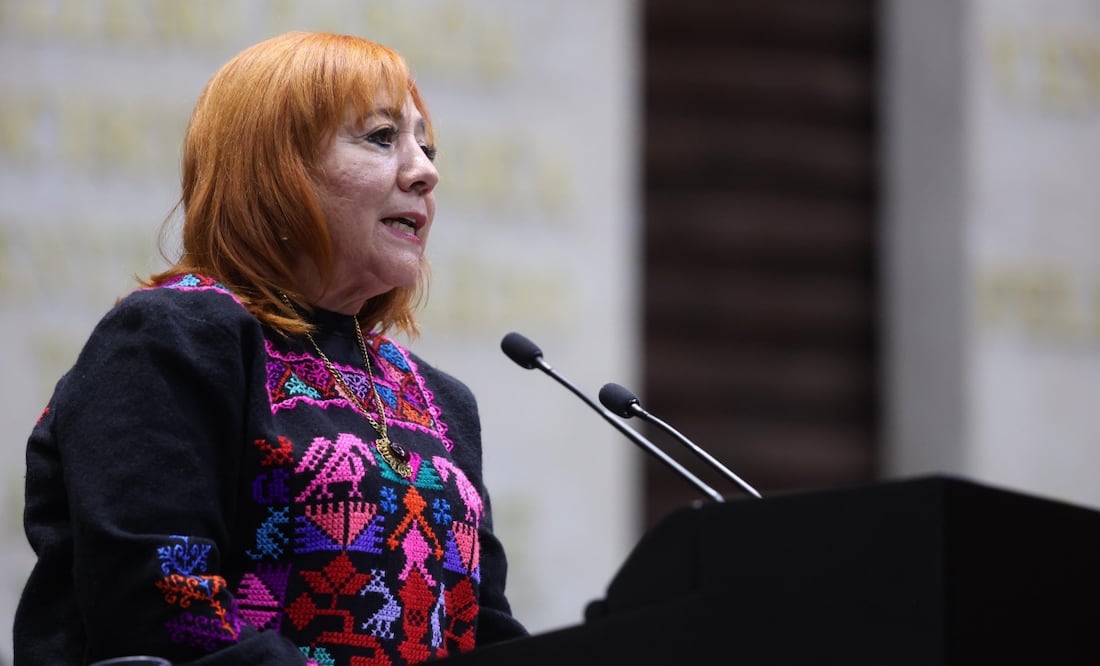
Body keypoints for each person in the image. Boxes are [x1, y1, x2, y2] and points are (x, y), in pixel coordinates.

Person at [14, 31, 528, 665]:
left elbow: (487, 629)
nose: (425, 170)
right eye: (381, 137)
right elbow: (163, 600)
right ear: (275, 169)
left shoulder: (441, 400)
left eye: (426, 145)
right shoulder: (174, 338)